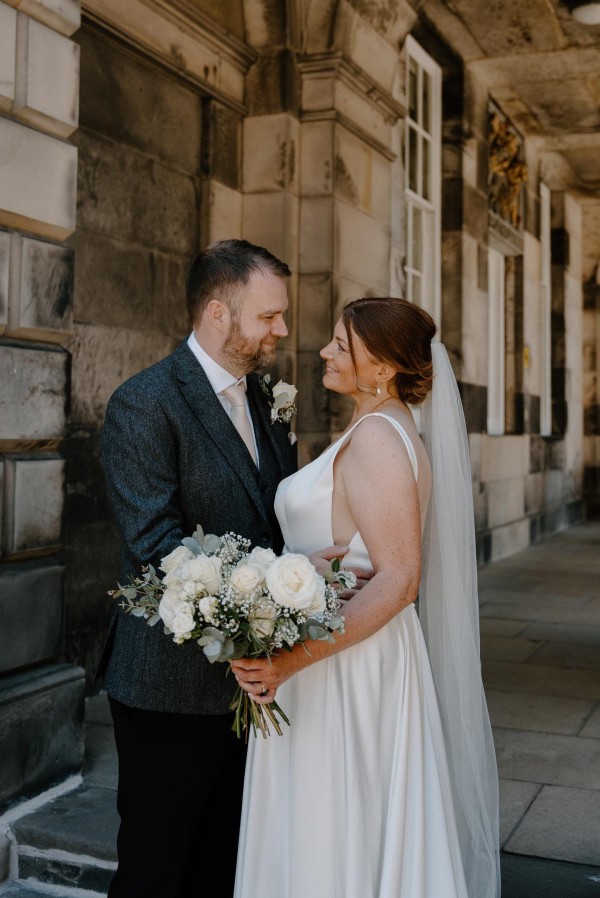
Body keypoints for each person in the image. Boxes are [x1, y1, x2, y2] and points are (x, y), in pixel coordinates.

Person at [100, 239, 357, 898]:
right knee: (157, 870)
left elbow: (270, 518)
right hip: (168, 687)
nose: (281, 329)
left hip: (252, 682)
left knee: (228, 867)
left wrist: (299, 579)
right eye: (269, 316)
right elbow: (156, 543)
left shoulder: (269, 396)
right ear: (218, 313)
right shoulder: (144, 403)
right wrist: (276, 582)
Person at [232, 297, 501, 898]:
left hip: (344, 664)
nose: (325, 352)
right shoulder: (380, 425)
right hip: (343, 648)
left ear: (380, 366)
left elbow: (400, 579)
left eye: (341, 346)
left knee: (334, 823)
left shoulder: (379, 438)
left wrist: (290, 661)